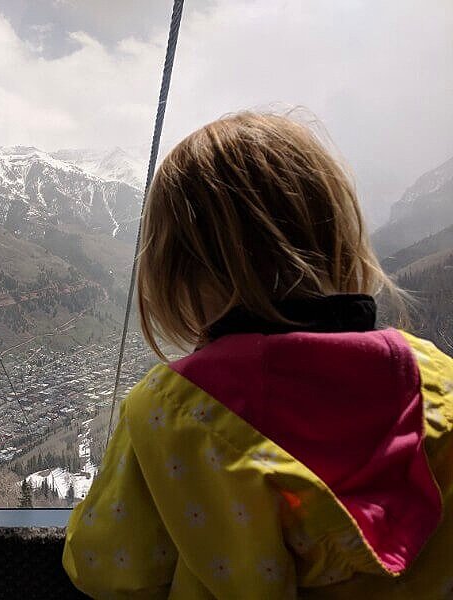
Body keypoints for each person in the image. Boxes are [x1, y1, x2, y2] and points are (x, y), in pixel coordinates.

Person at [62, 112, 453, 599]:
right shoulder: (438, 385)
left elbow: (102, 565)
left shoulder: (167, 412)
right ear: (337, 239)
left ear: (177, 276)